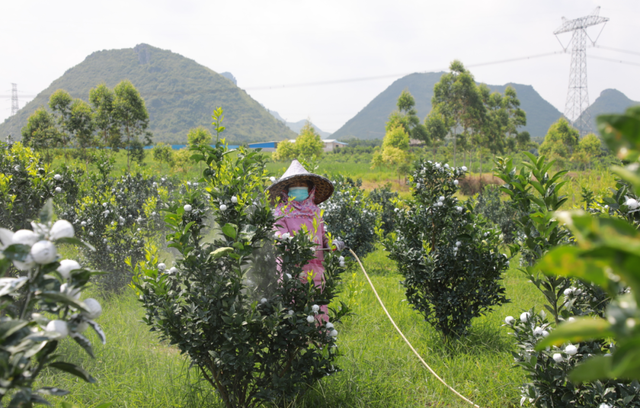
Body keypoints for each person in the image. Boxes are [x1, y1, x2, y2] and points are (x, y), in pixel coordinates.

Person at [267, 160, 344, 322]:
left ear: (310, 189)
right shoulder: (280, 212)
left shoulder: (315, 212)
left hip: (316, 271)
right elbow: (278, 236)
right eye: (295, 184)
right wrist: (297, 246)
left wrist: (332, 244)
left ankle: (318, 342)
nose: (299, 187)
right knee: (294, 313)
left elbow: (323, 236)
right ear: (287, 190)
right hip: (292, 270)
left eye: (303, 184)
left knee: (316, 312)